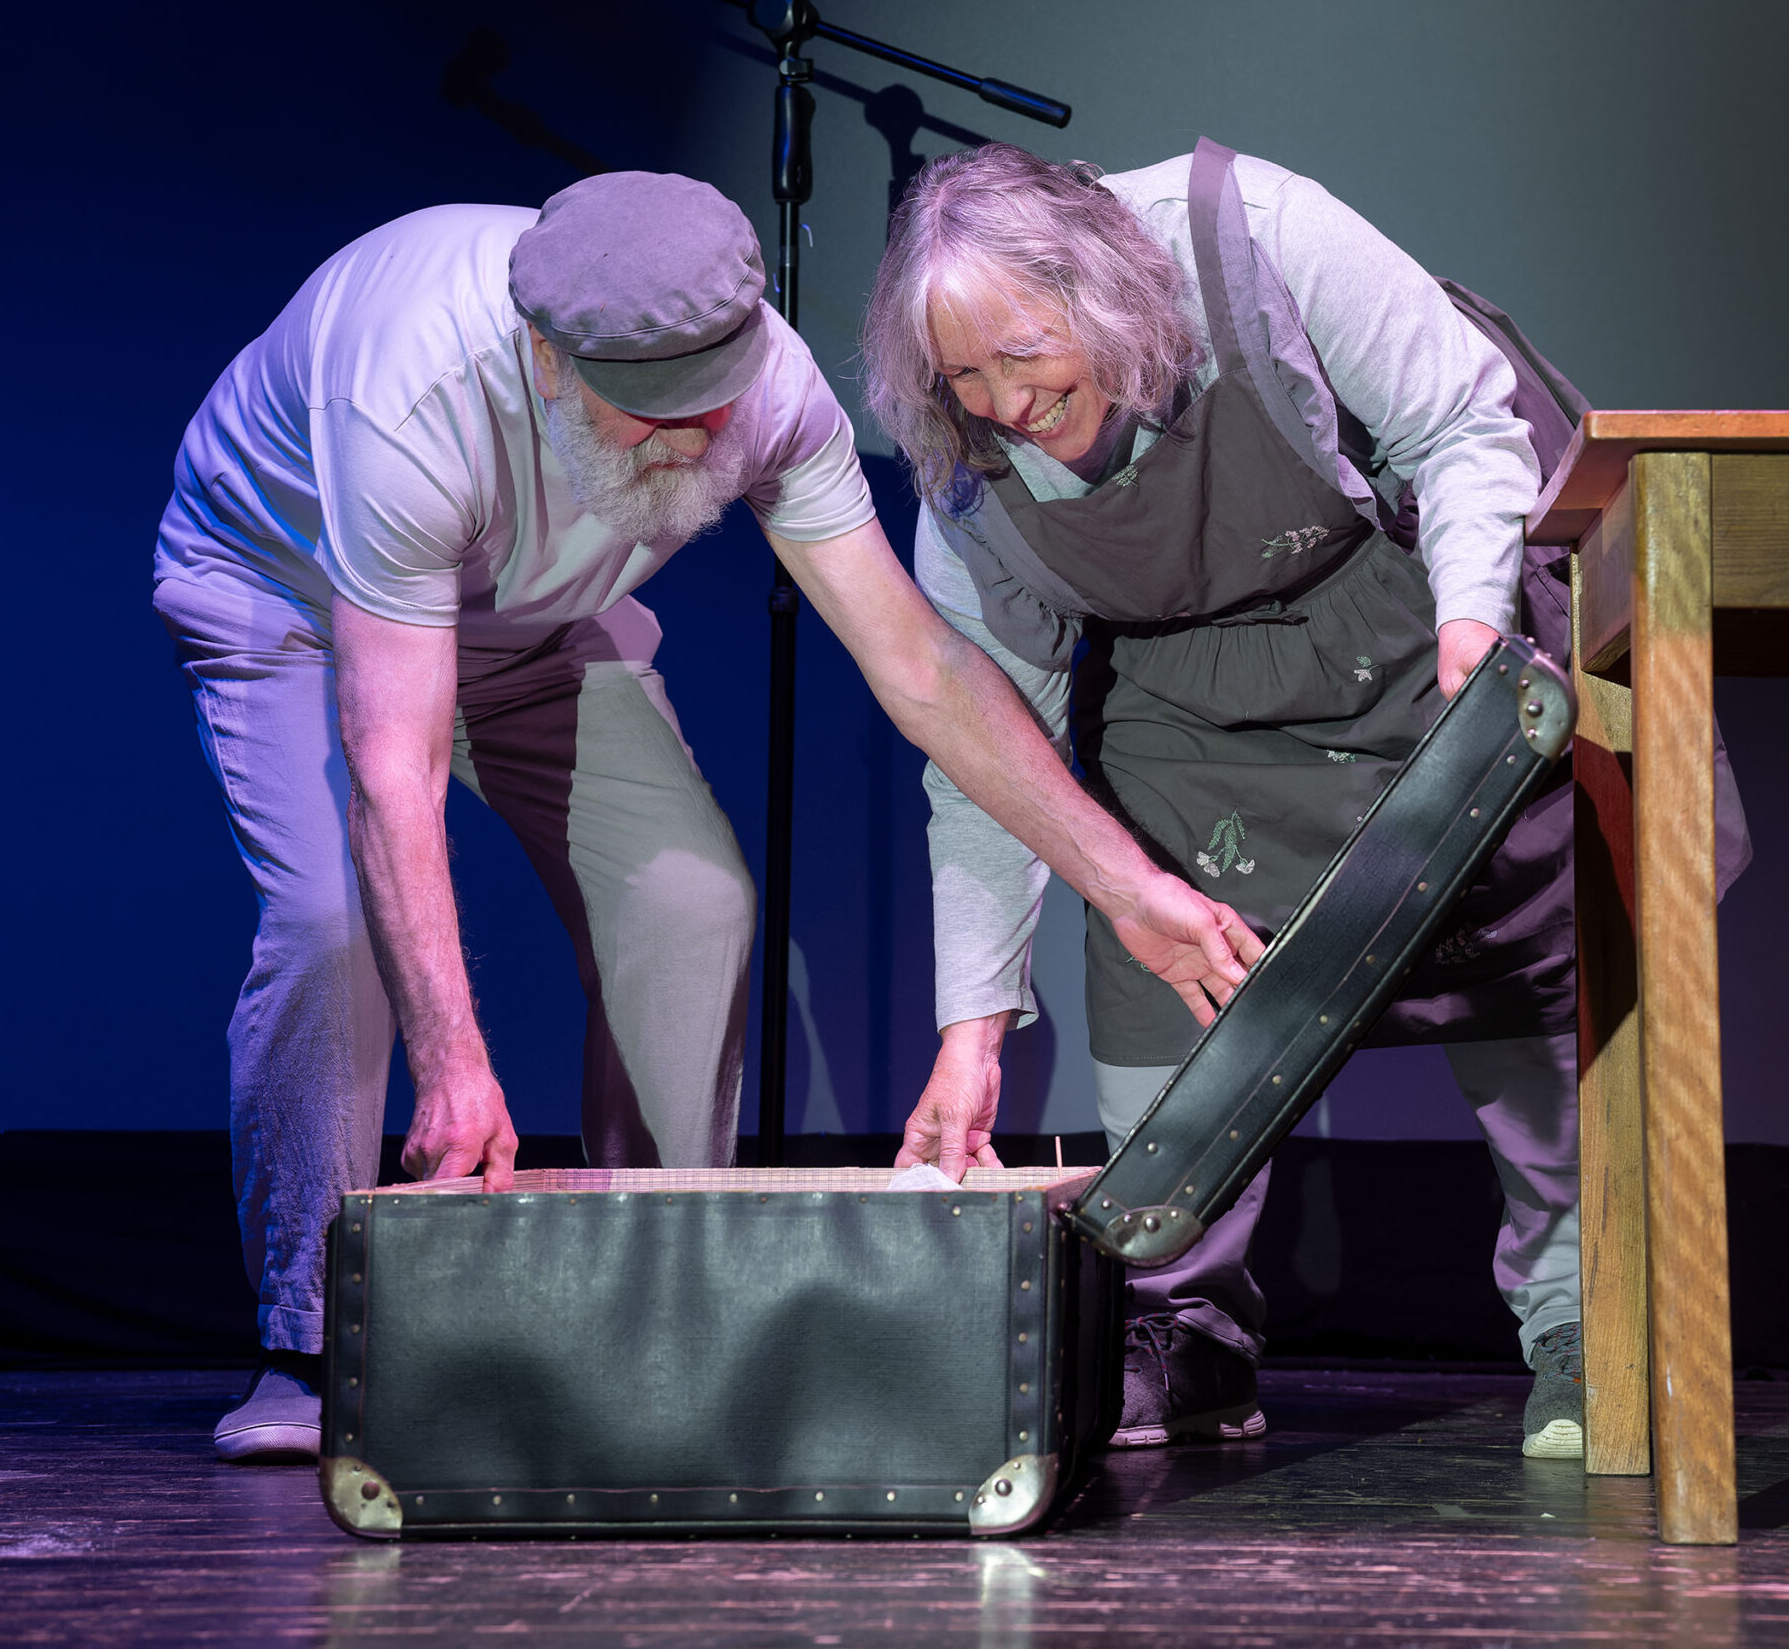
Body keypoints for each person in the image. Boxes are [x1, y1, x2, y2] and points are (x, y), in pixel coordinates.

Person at [153, 171, 1260, 1462]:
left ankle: (649, 1302)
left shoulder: (773, 388)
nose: (691, 441)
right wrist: (454, 1068)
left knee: (694, 905)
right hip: (292, 603)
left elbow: (924, 671)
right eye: (650, 415)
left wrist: (1129, 890)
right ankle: (311, 1341)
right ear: (549, 366)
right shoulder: (412, 394)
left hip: (539, 625)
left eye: (712, 405)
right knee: (331, 928)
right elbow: (393, 762)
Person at [870, 140, 1597, 1458]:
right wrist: (971, 1029)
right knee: (1167, 968)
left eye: (1024, 355)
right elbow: (984, 756)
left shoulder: (1252, 234)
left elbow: (1459, 421)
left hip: (1401, 634)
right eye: (961, 376)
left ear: (1103, 295)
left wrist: (1474, 616)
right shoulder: (967, 475)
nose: (1002, 402)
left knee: (1519, 967)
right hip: (1185, 710)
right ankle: (1182, 1327)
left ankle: (1580, 1322)